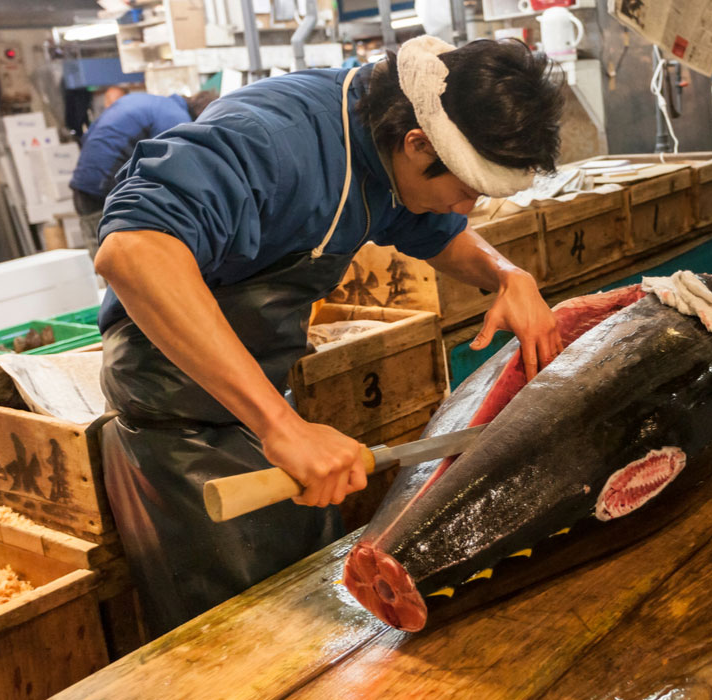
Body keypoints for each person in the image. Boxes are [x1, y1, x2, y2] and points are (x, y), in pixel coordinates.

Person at [92, 36, 565, 636]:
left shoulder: (384, 147)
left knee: (315, 619)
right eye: (467, 190)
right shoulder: (274, 139)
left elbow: (435, 230)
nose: (467, 208)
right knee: (243, 642)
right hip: (175, 424)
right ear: (418, 145)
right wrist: (280, 427)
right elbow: (132, 251)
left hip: (256, 402)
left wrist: (506, 275)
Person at [69, 88, 218, 251]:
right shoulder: (176, 119)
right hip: (103, 191)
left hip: (83, 183)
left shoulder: (148, 101)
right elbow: (174, 172)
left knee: (104, 258)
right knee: (123, 262)